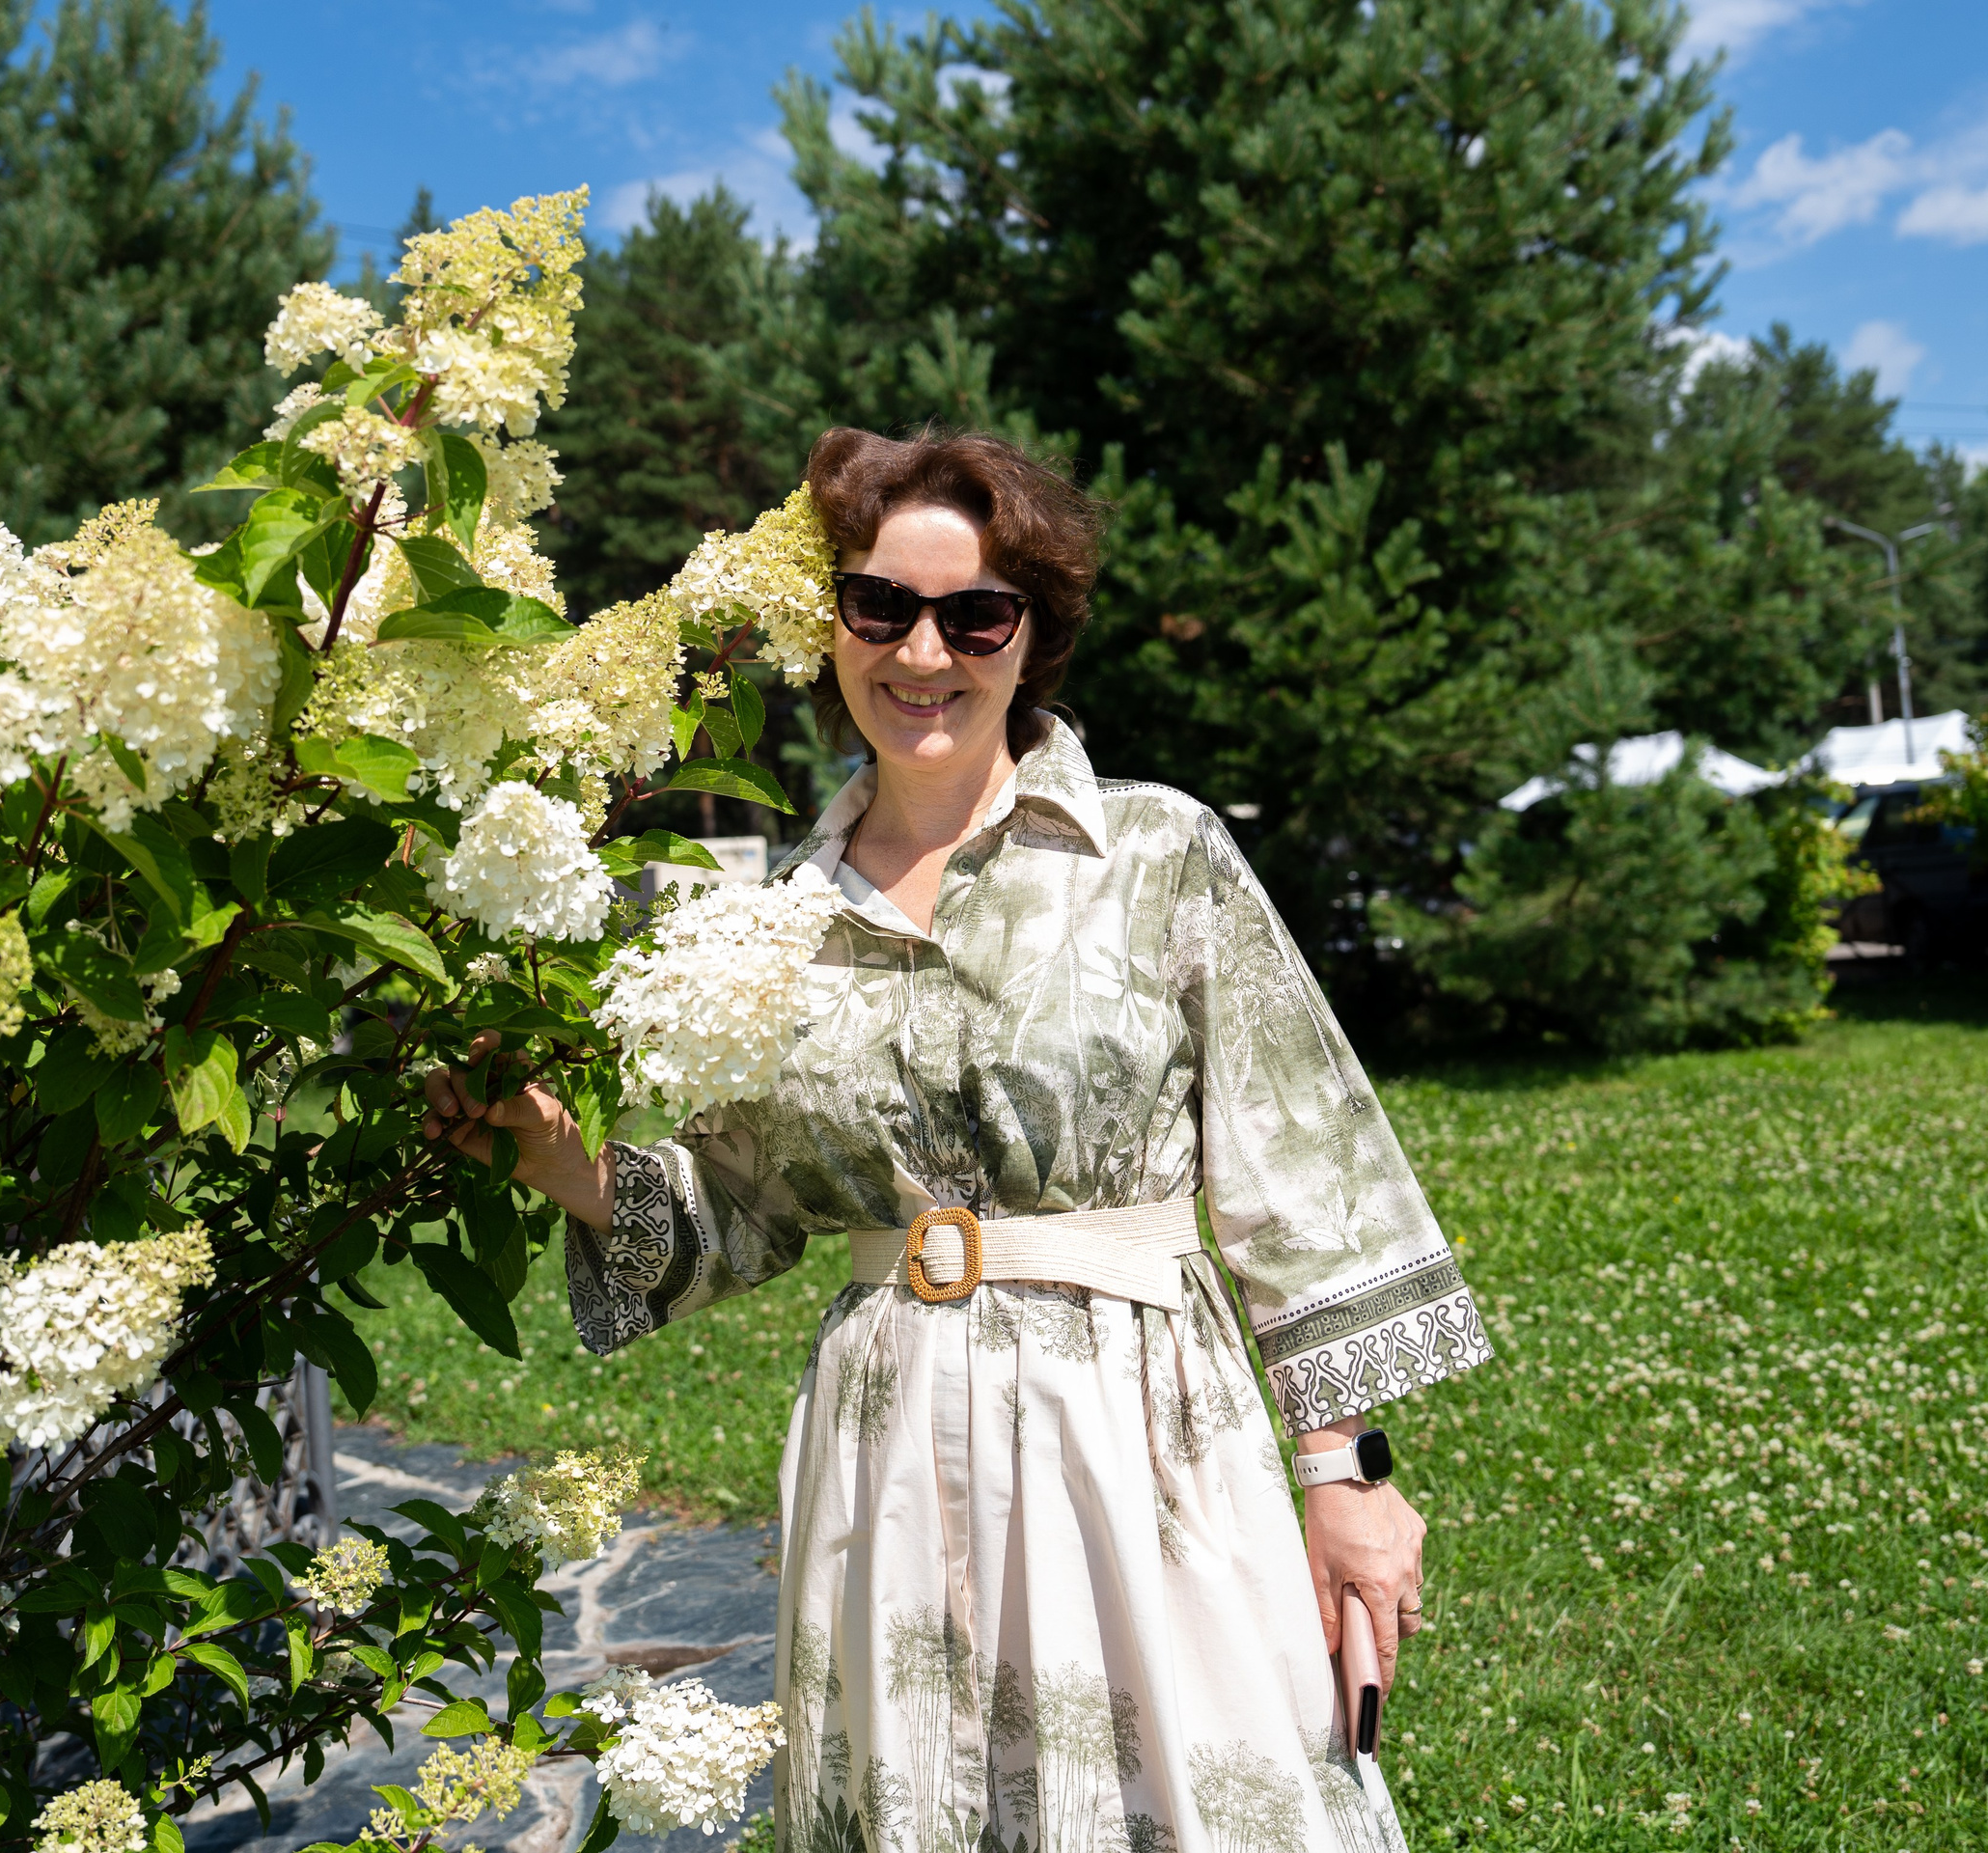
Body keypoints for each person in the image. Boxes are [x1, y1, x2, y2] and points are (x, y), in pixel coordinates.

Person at [420, 428, 1493, 1853]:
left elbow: (1306, 1172)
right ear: (834, 625)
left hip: (1141, 1431)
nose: (922, 653)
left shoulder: (1157, 853)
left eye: (973, 615)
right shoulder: (770, 926)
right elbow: (741, 1208)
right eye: (880, 608)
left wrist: (1347, 1479)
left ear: (1029, 635)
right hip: (887, 1449)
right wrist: (562, 1161)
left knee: (1199, 1798)